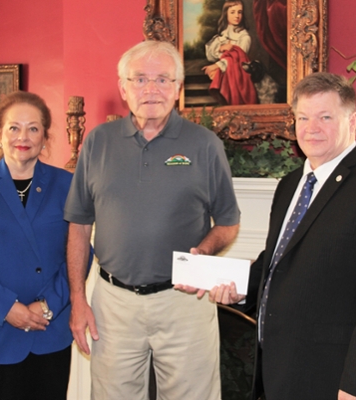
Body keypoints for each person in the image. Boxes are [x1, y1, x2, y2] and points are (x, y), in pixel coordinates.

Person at [208, 72, 356, 399]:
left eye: (325, 117)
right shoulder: (289, 185)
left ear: (352, 121)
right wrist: (239, 290)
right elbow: (280, 262)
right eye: (303, 117)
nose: (311, 127)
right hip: (279, 373)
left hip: (336, 380)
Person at [64, 40, 240, 400]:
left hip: (184, 303)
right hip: (113, 304)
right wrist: (78, 299)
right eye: (140, 79)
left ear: (177, 88)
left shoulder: (205, 145)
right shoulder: (97, 143)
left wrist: (206, 250)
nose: (151, 89)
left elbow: (228, 222)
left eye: (162, 79)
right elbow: (79, 226)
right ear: (123, 87)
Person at [0, 91, 91, 400]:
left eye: (33, 128)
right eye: (14, 127)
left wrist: (49, 305)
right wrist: (7, 307)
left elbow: (80, 252)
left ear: (45, 137)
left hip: (48, 333)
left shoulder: (67, 186)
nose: (23, 136)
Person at [202, 0, 258, 105]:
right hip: (224, 76)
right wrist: (220, 48)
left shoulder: (244, 37)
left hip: (239, 78)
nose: (237, 16)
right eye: (232, 12)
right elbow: (210, 55)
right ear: (225, 14)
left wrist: (216, 66)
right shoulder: (222, 35)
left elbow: (237, 59)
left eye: (239, 12)